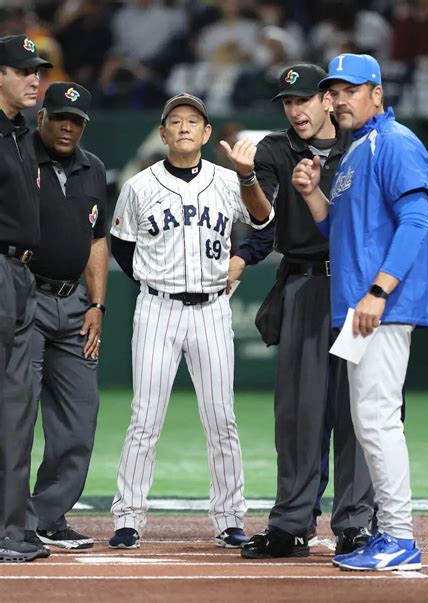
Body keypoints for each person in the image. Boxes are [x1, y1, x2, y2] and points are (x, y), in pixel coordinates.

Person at [292, 53, 428, 571]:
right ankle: (390, 531)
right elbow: (343, 232)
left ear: (376, 92)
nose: (337, 100)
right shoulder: (356, 151)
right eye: (333, 91)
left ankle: (399, 535)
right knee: (368, 420)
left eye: (349, 90)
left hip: (380, 304)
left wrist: (379, 291)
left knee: (376, 420)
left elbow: (417, 221)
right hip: (361, 307)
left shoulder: (396, 142)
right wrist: (312, 196)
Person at [108, 92, 273, 549]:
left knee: (222, 418)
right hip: (158, 308)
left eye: (193, 121)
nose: (183, 126)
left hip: (211, 310)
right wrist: (150, 276)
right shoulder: (140, 185)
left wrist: (248, 179)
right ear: (162, 134)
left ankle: (229, 516)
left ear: (206, 133)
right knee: (145, 417)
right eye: (175, 121)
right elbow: (121, 244)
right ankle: (128, 516)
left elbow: (263, 221)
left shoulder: (227, 180)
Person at [226, 63, 374, 559]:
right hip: (305, 286)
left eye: (304, 100)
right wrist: (247, 179)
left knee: (356, 411)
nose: (295, 110)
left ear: (328, 100)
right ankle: (292, 523)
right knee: (298, 413)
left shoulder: (361, 144)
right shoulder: (273, 149)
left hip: (353, 288)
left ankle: (355, 522)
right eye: (287, 103)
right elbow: (261, 215)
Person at [23, 82, 108, 552]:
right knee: (15, 415)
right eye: (60, 118)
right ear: (42, 117)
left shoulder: (92, 168)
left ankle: (48, 515)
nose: (68, 127)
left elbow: (97, 239)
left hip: (75, 304)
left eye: (76, 121)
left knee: (79, 417)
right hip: (25, 298)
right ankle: (11, 518)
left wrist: (97, 304)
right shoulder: (17, 157)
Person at [0, 33, 52, 563]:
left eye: (36, 70)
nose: (34, 78)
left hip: (19, 274)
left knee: (17, 409)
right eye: (22, 70)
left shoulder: (21, 135)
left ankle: (10, 527)